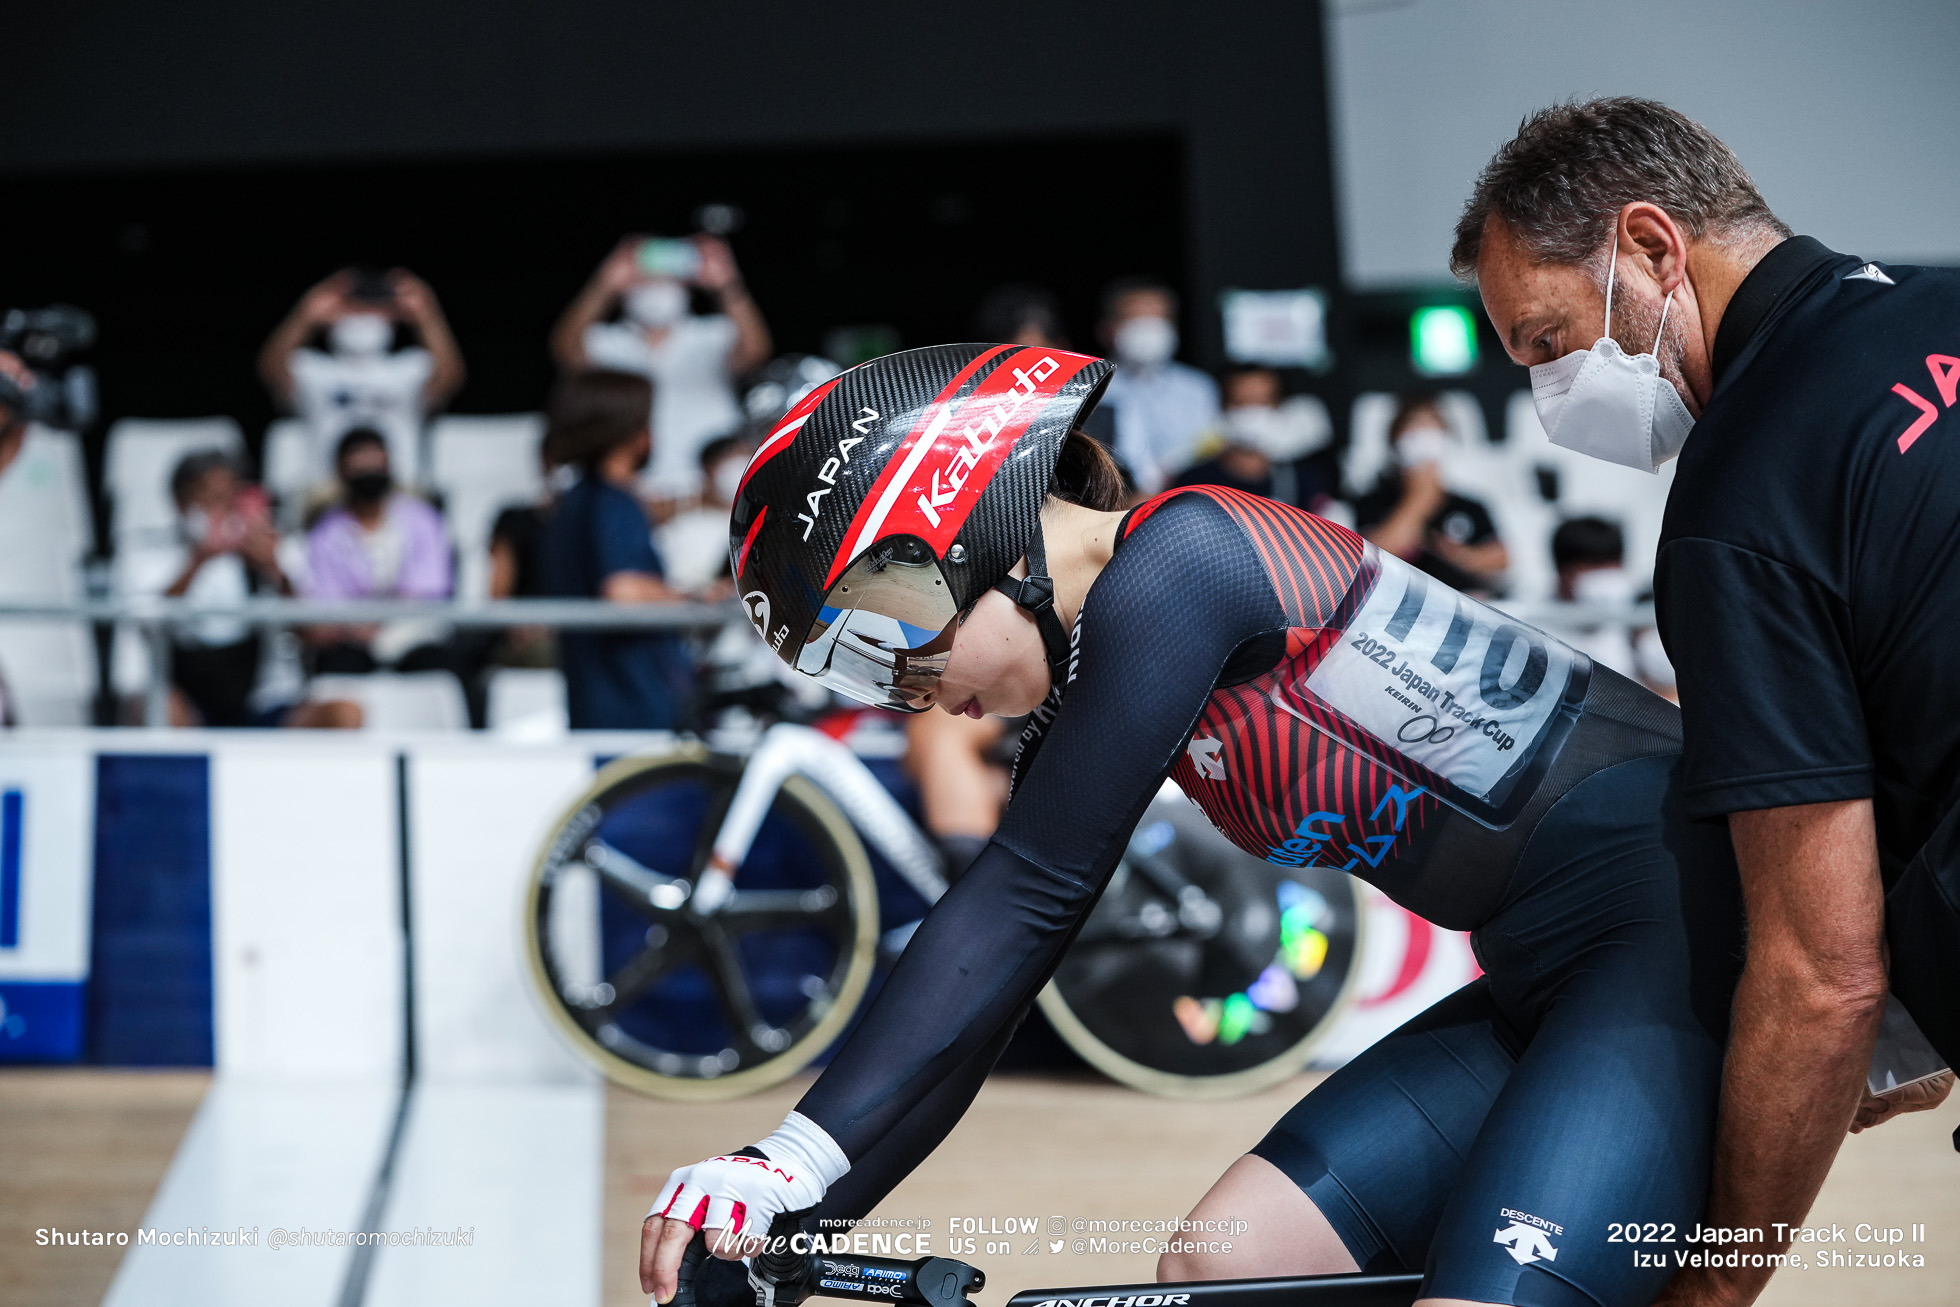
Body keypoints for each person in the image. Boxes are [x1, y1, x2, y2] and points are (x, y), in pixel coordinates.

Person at [643, 343, 1746, 1307]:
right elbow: (988, 996)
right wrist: (792, 1216)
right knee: (1223, 1268)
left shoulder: (1181, 558)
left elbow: (1027, 894)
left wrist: (791, 1155)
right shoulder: (1107, 654)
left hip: (1670, 937)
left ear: (975, 538)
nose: (912, 694)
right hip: (1552, 974)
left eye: (892, 643)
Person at [1455, 96, 1959, 1307]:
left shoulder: (1744, 497)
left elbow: (1818, 975)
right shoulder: (1943, 308)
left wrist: (1717, 1277)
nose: (1546, 389)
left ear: (1648, 248)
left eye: (1544, 340)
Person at [551, 235, 772, 504]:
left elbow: (756, 351)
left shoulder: (712, 334)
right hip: (630, 486)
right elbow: (564, 350)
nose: (657, 287)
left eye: (667, 278)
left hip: (708, 487)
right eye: (646, 278)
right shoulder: (608, 341)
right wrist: (604, 284)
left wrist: (727, 284)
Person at [538, 370, 693, 730]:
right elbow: (623, 590)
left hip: (593, 708)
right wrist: (692, 599)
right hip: (637, 708)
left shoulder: (571, 501)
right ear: (629, 431)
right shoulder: (613, 503)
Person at [259, 267, 465, 490]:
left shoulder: (409, 369)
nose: (363, 315)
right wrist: (304, 316)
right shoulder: (313, 370)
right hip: (329, 494)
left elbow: (450, 379)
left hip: (398, 492)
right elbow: (269, 369)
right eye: (353, 306)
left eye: (373, 307)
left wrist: (428, 315)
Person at [302, 427, 458, 684]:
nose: (370, 476)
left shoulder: (422, 519)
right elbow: (326, 602)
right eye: (360, 469)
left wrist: (383, 621)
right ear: (341, 472)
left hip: (412, 635)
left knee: (440, 667)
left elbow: (430, 589)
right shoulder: (326, 532)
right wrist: (356, 627)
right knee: (336, 669)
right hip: (352, 640)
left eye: (376, 466)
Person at [1355, 394, 1507, 595]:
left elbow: (1501, 559)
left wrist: (1457, 555)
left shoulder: (1470, 506)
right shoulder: (1372, 502)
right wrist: (1420, 499)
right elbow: (1371, 561)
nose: (1424, 434)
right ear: (1396, 439)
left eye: (1432, 425)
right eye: (1414, 425)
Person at [1097, 277, 1220, 494]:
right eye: (1137, 320)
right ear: (1109, 328)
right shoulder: (1093, 387)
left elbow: (1208, 450)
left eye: (1159, 319)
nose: (1149, 330)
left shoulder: (1198, 388)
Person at [1174, 366, 1336, 510]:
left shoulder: (1301, 478)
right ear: (1224, 406)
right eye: (1243, 403)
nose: (1253, 412)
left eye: (1262, 402)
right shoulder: (1194, 482)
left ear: (1278, 406)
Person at [657, 434, 750, 594]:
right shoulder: (683, 529)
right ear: (709, 469)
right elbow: (679, 587)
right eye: (732, 458)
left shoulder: (766, 522)